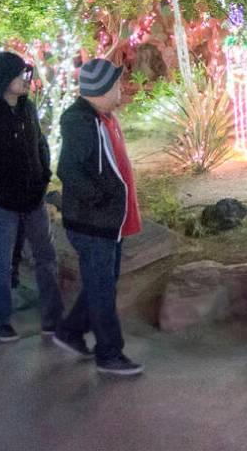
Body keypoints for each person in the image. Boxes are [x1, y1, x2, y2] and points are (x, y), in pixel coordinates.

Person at [54, 58, 143, 376]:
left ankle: (70, 331)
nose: (122, 89)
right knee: (103, 288)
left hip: (106, 221)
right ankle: (109, 353)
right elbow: (68, 169)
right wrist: (100, 198)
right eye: (117, 84)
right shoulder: (80, 121)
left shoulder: (104, 118)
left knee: (101, 283)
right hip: (93, 222)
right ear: (102, 89)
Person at [0, 52, 62, 343]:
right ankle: (0, 318)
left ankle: (53, 317)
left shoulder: (27, 108)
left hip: (33, 197)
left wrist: (43, 176)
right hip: (1, 202)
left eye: (26, 73)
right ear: (4, 78)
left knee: (46, 256)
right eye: (20, 74)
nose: (26, 79)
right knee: (0, 260)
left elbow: (40, 145)